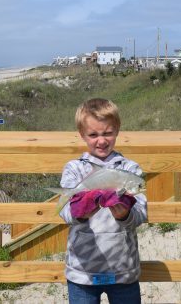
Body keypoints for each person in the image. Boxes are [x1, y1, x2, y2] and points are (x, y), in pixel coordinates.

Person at [59, 98, 147, 304]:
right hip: (83, 273)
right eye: (93, 135)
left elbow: (141, 213)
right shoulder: (74, 169)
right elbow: (66, 214)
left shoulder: (130, 169)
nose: (101, 140)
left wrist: (125, 214)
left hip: (123, 270)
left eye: (107, 133)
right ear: (82, 135)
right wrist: (82, 210)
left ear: (117, 131)